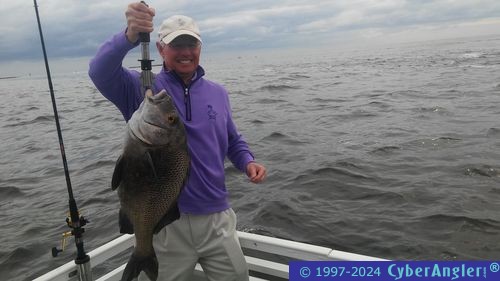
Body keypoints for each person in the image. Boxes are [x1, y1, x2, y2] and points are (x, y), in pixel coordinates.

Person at [88, 2, 267, 281]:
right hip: (166, 221)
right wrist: (129, 36)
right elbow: (100, 71)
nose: (186, 52)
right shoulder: (142, 89)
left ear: (200, 47)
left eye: (191, 44)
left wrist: (248, 161)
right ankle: (143, 252)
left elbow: (232, 138)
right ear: (160, 49)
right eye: (176, 45)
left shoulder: (218, 93)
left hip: (217, 216)